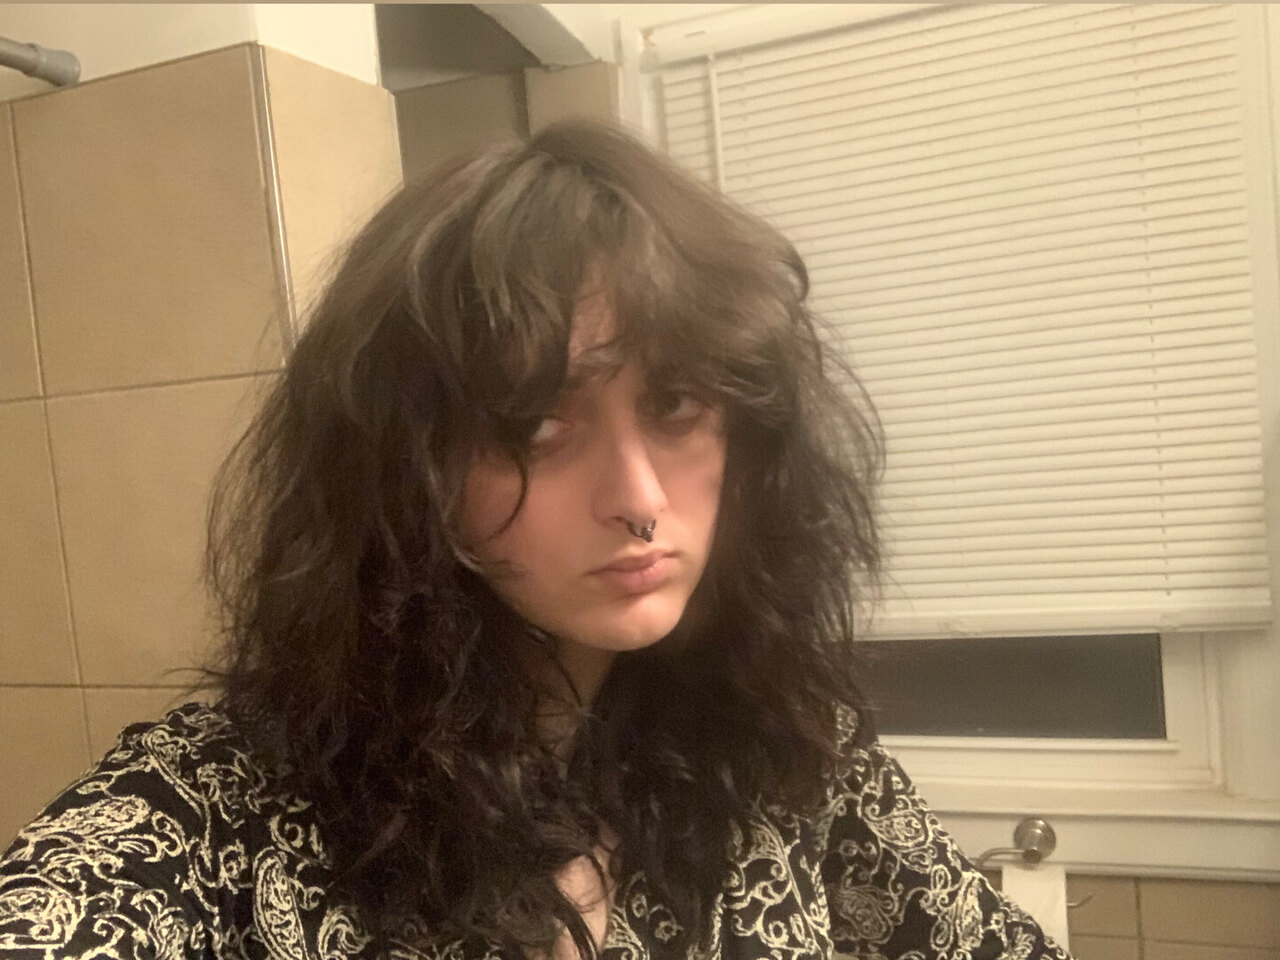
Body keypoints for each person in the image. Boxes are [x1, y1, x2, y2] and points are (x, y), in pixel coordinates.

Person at [0, 120, 1073, 960]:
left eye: (678, 405)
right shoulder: (219, 810)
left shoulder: (793, 754)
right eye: (533, 429)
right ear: (406, 474)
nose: (639, 499)